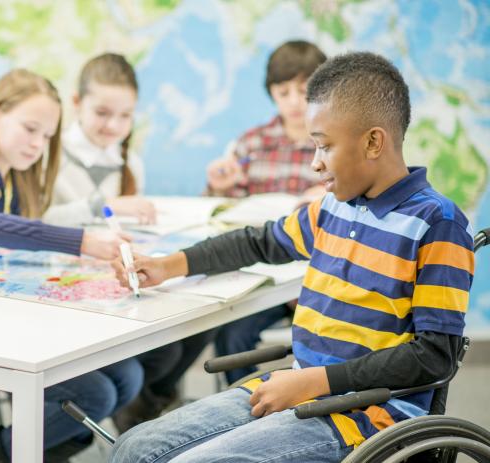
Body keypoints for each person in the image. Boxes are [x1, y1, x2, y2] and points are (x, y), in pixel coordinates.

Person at [109, 52, 474, 462]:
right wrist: (166, 265)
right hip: (300, 387)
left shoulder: (437, 223)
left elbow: (434, 357)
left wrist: (316, 382)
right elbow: (259, 242)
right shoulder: (333, 207)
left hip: (366, 418)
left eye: (324, 146)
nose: (315, 163)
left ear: (373, 141)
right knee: (133, 447)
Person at [0, 69, 142, 463]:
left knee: (127, 377)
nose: (38, 144)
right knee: (95, 394)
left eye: (47, 136)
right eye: (29, 128)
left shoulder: (16, 179)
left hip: (6, 316)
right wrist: (82, 242)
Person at [207, 40, 328, 384]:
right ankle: (242, 412)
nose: (293, 101)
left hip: (315, 277)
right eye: (283, 91)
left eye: (303, 91)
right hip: (262, 273)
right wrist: (219, 186)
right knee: (231, 337)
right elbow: (225, 215)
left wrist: (327, 198)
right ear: (271, 92)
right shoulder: (251, 143)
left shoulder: (333, 143)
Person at [43, 52, 156, 226]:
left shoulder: (132, 164)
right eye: (102, 113)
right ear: (76, 103)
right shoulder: (48, 154)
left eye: (125, 115)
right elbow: (34, 219)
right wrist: (101, 206)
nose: (113, 125)